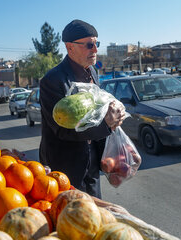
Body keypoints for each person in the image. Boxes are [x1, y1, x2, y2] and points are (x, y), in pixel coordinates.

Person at [39, 19, 125, 198]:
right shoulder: (52, 81)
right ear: (70, 47)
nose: (95, 50)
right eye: (89, 45)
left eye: (96, 44)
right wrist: (106, 125)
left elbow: (96, 111)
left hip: (91, 160)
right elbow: (62, 130)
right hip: (66, 165)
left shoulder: (92, 72)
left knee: (96, 212)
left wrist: (113, 111)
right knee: (72, 216)